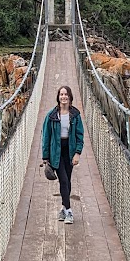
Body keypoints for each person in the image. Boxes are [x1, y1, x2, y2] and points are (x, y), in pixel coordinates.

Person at [41, 84, 84, 224]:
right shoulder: (51, 115)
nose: (63, 97)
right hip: (56, 151)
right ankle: (69, 211)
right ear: (58, 97)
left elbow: (79, 135)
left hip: (69, 150)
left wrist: (77, 153)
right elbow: (46, 136)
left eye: (66, 94)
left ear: (70, 97)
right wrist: (45, 157)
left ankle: (63, 208)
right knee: (64, 179)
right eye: (61, 94)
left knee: (67, 180)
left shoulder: (75, 115)